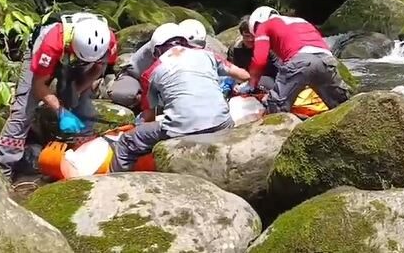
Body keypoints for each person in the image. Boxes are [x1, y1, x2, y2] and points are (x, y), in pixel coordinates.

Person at [0, 12, 117, 179]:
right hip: (42, 56)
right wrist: (61, 112)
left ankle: (77, 161)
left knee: (80, 105)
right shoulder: (52, 42)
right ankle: (0, 168)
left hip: (78, 61)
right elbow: (39, 85)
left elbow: (97, 69)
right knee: (23, 111)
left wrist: (76, 92)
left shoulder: (107, 42)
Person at [110, 23, 249, 172]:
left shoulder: (151, 72)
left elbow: (149, 115)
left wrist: (139, 127)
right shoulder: (208, 54)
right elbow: (244, 75)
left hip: (184, 128)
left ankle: (116, 182)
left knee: (126, 142)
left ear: (156, 50)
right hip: (223, 123)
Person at [241, 6, 349, 113]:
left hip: (301, 62)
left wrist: (251, 83)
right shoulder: (301, 21)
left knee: (275, 106)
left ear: (256, 22)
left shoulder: (263, 25)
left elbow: (259, 61)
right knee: (341, 107)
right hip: (326, 60)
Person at [108, 18, 207, 110]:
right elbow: (152, 77)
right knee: (122, 94)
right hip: (136, 76)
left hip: (163, 81)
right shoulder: (162, 46)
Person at [227, 15, 280, 92]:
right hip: (242, 80)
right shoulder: (234, 48)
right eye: (247, 36)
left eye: (253, 36)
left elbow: (280, 70)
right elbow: (229, 69)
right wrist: (233, 84)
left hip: (266, 79)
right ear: (241, 34)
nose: (250, 39)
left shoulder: (269, 47)